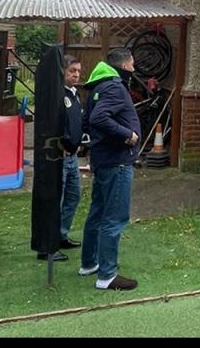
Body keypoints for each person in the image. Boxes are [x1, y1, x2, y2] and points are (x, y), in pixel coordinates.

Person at [79, 46, 140, 291]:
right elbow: (98, 119)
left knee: (97, 213)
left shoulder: (98, 86)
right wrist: (127, 135)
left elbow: (86, 121)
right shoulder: (114, 87)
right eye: (133, 65)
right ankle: (107, 275)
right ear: (125, 65)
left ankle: (89, 263)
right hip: (116, 162)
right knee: (114, 218)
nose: (134, 69)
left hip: (104, 160)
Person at [58, 56, 86, 251]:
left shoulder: (75, 95)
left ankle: (61, 234)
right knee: (57, 200)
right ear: (63, 72)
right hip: (59, 158)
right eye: (72, 71)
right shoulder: (58, 95)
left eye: (78, 71)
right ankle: (50, 240)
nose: (76, 74)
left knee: (73, 196)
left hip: (73, 157)